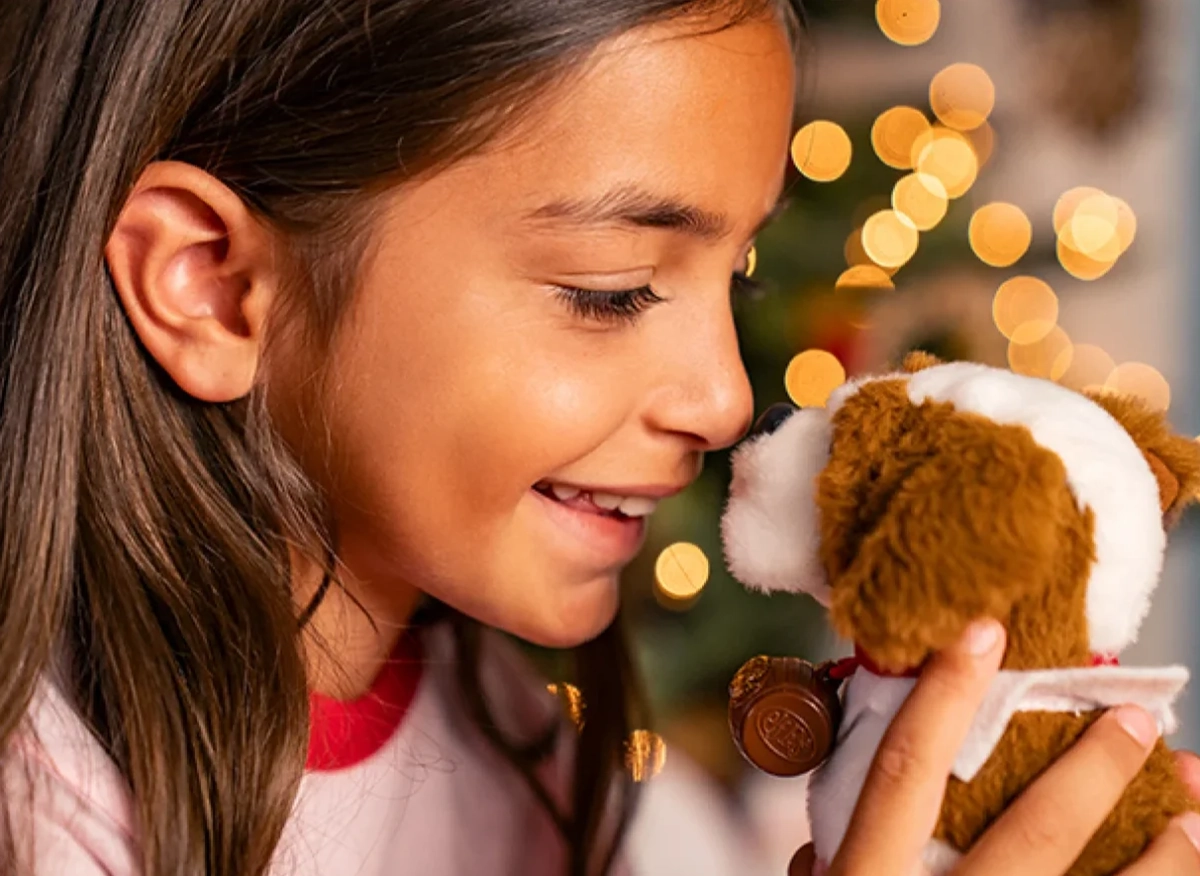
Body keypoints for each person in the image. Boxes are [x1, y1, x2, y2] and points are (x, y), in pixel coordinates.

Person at [0, 2, 1198, 875]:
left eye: (735, 272)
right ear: (210, 285)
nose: (731, 402)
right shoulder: (48, 818)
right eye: (614, 289)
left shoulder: (519, 734)